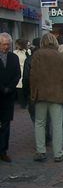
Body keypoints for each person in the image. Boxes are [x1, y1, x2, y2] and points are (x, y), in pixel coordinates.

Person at [30, 32, 63, 162]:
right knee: (57, 124)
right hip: (57, 95)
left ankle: (41, 151)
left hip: (41, 94)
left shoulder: (37, 55)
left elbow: (33, 76)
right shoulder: (62, 56)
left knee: (40, 123)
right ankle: (58, 153)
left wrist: (33, 94)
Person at [0, 33, 21, 162]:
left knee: (6, 125)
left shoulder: (13, 57)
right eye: (4, 44)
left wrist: (10, 87)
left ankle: (3, 150)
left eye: (8, 44)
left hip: (8, 96)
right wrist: (1, 87)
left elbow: (17, 74)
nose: (6, 47)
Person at [13, 38, 31, 108]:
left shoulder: (28, 51)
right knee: (19, 86)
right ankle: (22, 102)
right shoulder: (15, 52)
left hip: (25, 69)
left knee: (25, 85)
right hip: (18, 70)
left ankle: (25, 101)